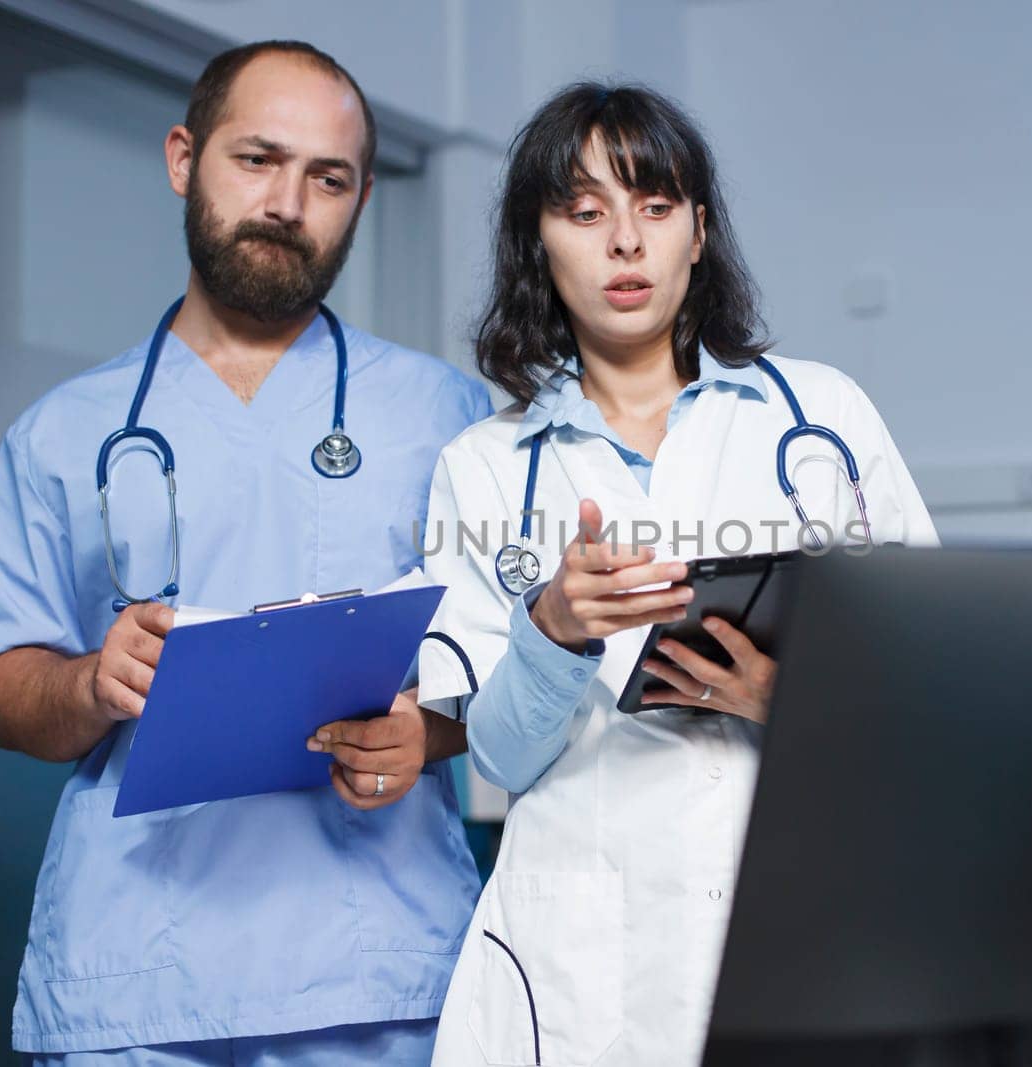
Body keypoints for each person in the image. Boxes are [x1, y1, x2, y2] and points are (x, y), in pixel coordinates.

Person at [0, 41, 490, 1064]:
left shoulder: (446, 414)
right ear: (182, 159)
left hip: (377, 974)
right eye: (256, 158)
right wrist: (87, 681)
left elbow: (518, 664)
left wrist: (432, 728)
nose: (288, 201)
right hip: (139, 982)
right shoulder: (63, 431)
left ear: (361, 197)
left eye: (326, 177)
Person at [411, 83, 939, 1066]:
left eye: (654, 207)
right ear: (539, 241)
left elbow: (930, 683)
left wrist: (794, 702)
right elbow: (498, 754)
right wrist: (554, 629)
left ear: (698, 232)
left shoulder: (823, 420)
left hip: (790, 911)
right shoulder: (483, 465)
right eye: (584, 211)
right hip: (579, 951)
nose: (625, 242)